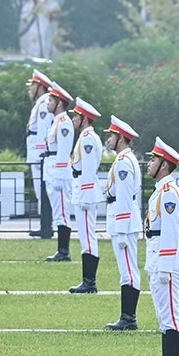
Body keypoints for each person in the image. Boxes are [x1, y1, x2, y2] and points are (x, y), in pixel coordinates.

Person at [141, 141, 179, 356]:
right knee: (163, 313)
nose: (149, 163)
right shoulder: (161, 190)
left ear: (164, 165)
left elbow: (170, 230)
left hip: (165, 260)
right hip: (156, 256)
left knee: (170, 312)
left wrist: (165, 268)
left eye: (153, 159)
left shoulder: (169, 192)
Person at [102, 117, 143, 331]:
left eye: (111, 135)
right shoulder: (123, 159)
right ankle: (127, 316)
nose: (109, 139)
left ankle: (128, 318)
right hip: (122, 220)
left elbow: (125, 197)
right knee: (126, 270)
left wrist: (122, 230)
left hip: (124, 223)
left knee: (128, 272)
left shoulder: (124, 162)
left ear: (120, 138)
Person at [67, 99, 105, 294]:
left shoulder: (88, 138)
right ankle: (87, 281)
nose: (74, 119)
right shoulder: (85, 136)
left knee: (88, 238)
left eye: (76, 116)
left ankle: (89, 282)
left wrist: (86, 195)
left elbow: (89, 169)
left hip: (86, 192)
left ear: (84, 119)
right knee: (85, 237)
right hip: (82, 188)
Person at [43, 85, 75, 262]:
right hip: (51, 167)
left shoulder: (64, 123)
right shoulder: (56, 121)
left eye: (51, 100)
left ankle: (64, 251)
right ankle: (61, 250)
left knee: (62, 211)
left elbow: (63, 151)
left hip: (58, 170)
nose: (47, 103)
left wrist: (60, 176)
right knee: (58, 212)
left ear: (59, 103)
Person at [25, 73, 56, 238]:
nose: (30, 89)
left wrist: (40, 153)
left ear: (40, 87)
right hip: (36, 153)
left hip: (39, 154)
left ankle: (46, 226)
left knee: (42, 190)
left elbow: (44, 130)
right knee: (40, 190)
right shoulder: (41, 103)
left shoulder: (44, 103)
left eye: (33, 85)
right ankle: (45, 225)